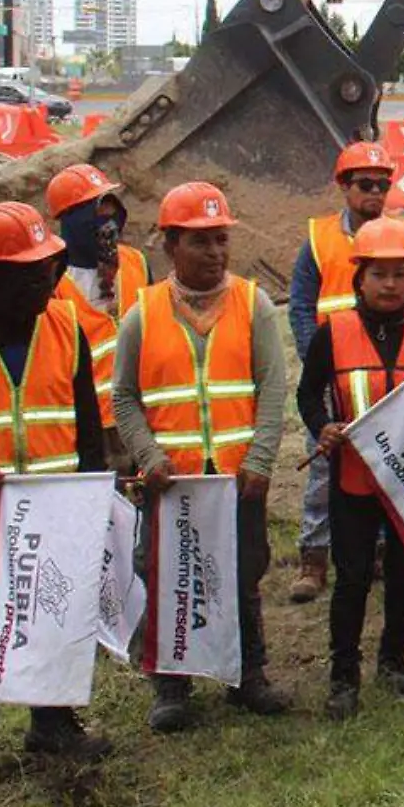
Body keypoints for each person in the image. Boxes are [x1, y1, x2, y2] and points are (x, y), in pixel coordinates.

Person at [113, 182, 292, 732]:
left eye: (221, 240)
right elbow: (124, 397)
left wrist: (261, 460)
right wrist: (149, 457)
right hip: (175, 485)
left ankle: (247, 675)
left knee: (242, 575)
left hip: (237, 480)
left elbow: (272, 385)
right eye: (201, 242)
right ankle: (172, 685)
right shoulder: (141, 314)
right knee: (167, 576)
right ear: (171, 246)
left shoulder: (252, 303)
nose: (215, 253)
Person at [0, 204, 113, 787]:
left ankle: (51, 719)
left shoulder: (65, 325)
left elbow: (88, 425)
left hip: (56, 508)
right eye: (31, 272)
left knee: (54, 614)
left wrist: (93, 496)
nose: (47, 281)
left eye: (48, 267)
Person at [296, 217, 404, 720]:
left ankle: (394, 659)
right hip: (355, 479)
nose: (391, 285)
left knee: (403, 571)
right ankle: (344, 675)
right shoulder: (334, 333)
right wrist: (323, 425)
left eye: (400, 275)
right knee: (351, 578)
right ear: (358, 279)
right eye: (380, 275)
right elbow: (308, 394)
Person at [288, 141, 397, 604]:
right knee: (323, 466)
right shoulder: (317, 241)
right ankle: (314, 555)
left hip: (381, 377)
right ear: (344, 187)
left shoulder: (396, 237)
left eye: (383, 185)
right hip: (333, 376)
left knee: (380, 464)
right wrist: (321, 366)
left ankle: (374, 550)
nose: (376, 194)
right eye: (366, 185)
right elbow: (300, 307)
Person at [44, 163, 151, 460]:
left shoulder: (136, 264)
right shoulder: (53, 282)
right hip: (94, 425)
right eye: (97, 209)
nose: (108, 219)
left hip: (145, 416)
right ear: (70, 219)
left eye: (110, 207)